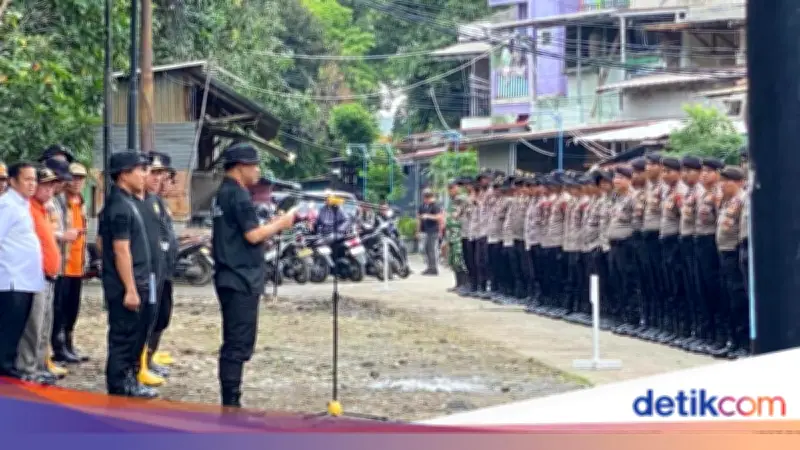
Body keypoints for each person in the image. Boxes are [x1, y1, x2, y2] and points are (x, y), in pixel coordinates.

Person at [211, 142, 296, 408]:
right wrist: (282, 224)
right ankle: (231, 404)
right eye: (254, 165)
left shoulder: (222, 193)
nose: (258, 170)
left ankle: (232, 401)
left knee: (235, 341)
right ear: (240, 167)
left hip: (229, 275)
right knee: (238, 344)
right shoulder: (238, 195)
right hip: (240, 277)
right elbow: (252, 235)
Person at [99, 151, 160, 398]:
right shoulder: (119, 206)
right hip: (127, 284)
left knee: (136, 335)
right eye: (140, 170)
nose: (145, 175)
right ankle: (119, 384)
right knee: (124, 337)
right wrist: (130, 288)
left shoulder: (131, 201)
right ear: (124, 174)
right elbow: (120, 250)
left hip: (140, 278)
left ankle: (131, 379)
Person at [16, 167, 62, 385]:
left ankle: (40, 365)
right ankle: (27, 368)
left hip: (48, 275)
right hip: (35, 275)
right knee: (33, 327)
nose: (49, 189)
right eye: (45, 184)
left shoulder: (43, 210)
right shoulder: (27, 210)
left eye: (52, 185)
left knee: (44, 325)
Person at [0, 161, 43, 380]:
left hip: (25, 279)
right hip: (12, 279)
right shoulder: (7, 205)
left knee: (17, 331)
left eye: (34, 179)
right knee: (8, 332)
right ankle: (6, 374)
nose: (32, 184)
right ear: (13, 181)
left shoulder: (22, 205)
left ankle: (9, 372)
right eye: (27, 179)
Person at [147, 154, 179, 373]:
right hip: (151, 272)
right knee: (151, 319)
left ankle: (150, 357)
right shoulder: (143, 203)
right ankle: (144, 361)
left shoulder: (159, 203)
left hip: (164, 271)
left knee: (162, 316)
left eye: (163, 175)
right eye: (156, 174)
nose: (162, 180)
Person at [57, 163, 90, 366]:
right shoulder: (60, 201)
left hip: (77, 263)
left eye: (81, 178)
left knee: (72, 308)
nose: (77, 182)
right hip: (63, 264)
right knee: (60, 308)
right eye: (74, 177)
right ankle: (59, 346)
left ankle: (69, 343)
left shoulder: (81, 201)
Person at [716, 166, 749, 360]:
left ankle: (744, 344)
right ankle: (734, 341)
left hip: (736, 253)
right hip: (724, 252)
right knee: (729, 298)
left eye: (727, 181)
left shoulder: (743, 200)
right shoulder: (727, 201)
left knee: (739, 298)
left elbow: (741, 231)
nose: (723, 185)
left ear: (739, 182)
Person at [695, 157, 725, 356]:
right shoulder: (703, 193)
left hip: (713, 244)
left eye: (709, 170)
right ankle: (710, 334)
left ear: (718, 174)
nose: (704, 174)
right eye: (703, 170)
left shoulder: (719, 194)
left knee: (717, 290)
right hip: (700, 241)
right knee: (703, 289)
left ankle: (722, 337)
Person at [417, 189, 443, 276]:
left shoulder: (435, 205)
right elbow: (419, 218)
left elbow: (439, 217)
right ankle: (429, 266)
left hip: (433, 230)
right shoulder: (422, 206)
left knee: (432, 249)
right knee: (425, 249)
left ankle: (434, 268)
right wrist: (418, 230)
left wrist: (428, 216)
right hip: (425, 230)